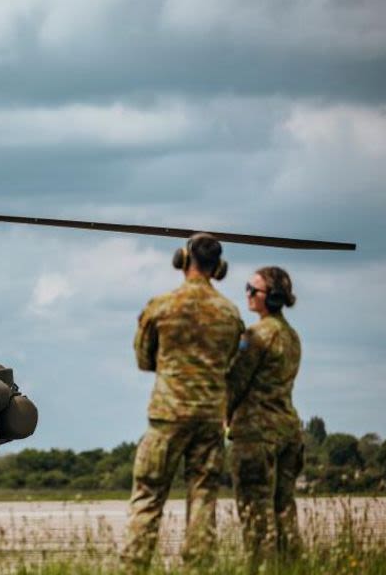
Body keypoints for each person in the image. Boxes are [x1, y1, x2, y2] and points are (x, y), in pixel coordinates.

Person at [122, 233, 245, 569]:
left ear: (183, 260)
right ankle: (199, 567)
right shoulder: (231, 313)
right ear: (218, 267)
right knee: (204, 498)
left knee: (148, 495)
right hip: (209, 418)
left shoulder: (161, 306)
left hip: (168, 415)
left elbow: (144, 361)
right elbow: (232, 364)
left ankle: (134, 566)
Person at [226, 267, 303, 568]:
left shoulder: (257, 335)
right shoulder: (291, 335)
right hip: (288, 433)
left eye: (252, 289)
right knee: (285, 514)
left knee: (256, 518)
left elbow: (236, 381)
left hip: (257, 436)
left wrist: (223, 413)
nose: (247, 293)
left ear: (270, 297)